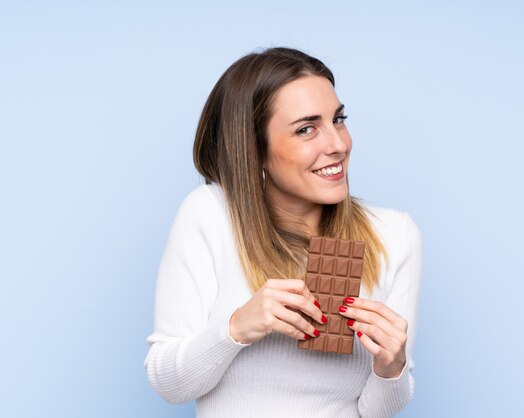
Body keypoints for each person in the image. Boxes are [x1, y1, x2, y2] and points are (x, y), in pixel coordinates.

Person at [144, 47, 423, 418]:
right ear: (255, 149)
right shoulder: (210, 214)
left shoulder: (393, 234)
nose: (338, 145)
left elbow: (375, 411)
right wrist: (239, 326)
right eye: (306, 129)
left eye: (338, 120)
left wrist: (391, 367)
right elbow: (169, 384)